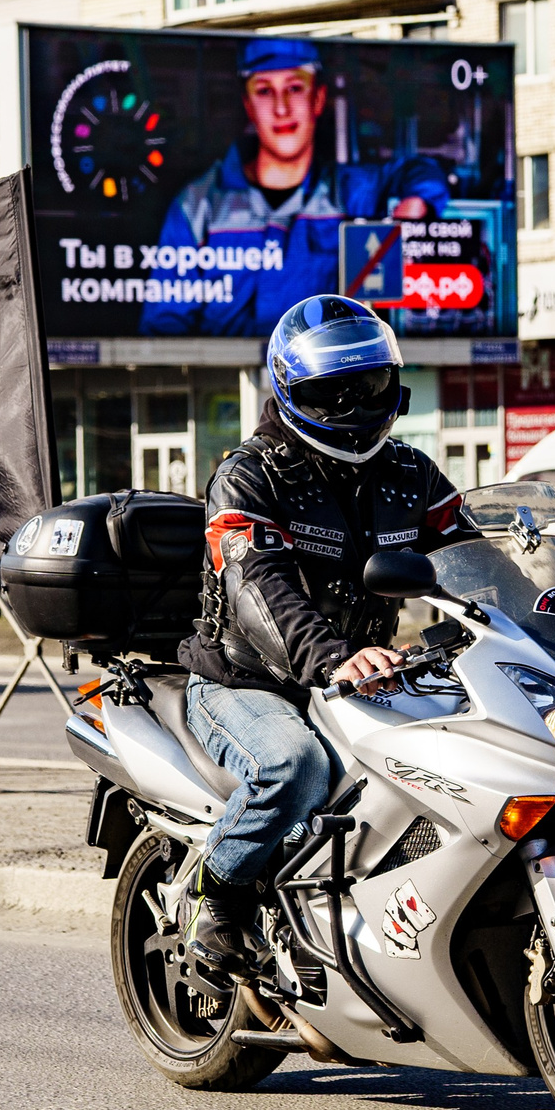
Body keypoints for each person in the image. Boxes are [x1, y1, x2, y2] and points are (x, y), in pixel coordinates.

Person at [175, 296, 476, 982]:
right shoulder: (248, 476)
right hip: (245, 680)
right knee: (295, 766)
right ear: (289, 389)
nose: (351, 405)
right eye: (329, 391)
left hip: (371, 676)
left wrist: (533, 614)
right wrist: (335, 657)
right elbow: (259, 591)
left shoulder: (410, 476)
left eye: (366, 386)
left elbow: (470, 560)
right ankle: (213, 900)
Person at [138, 39, 450, 338]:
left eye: (294, 88)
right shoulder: (197, 206)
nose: (281, 108)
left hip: (325, 385)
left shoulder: (352, 192)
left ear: (318, 98)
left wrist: (416, 203)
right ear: (248, 104)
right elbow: (164, 326)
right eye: (264, 91)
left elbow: (423, 172)